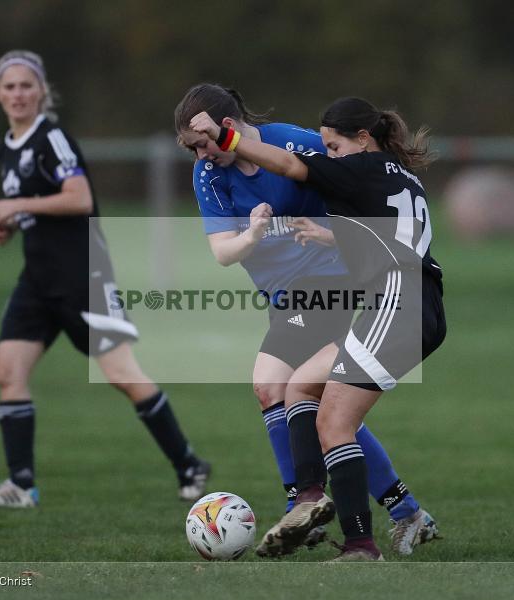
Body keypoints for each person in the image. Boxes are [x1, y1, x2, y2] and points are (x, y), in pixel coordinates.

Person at [175, 84, 439, 557]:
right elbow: (222, 253)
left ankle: (306, 501)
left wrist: (333, 235)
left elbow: (329, 177)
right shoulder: (208, 175)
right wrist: (253, 236)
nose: (201, 157)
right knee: (322, 399)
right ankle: (404, 510)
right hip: (283, 293)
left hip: (331, 282)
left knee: (274, 382)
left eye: (204, 144)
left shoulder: (299, 142)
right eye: (193, 149)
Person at [0, 50, 209, 508]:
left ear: (41, 91)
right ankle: (21, 485)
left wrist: (18, 207)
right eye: (10, 87)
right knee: (8, 373)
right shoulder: (7, 146)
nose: (19, 94)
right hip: (37, 280)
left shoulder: (52, 137)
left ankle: (188, 463)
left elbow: (78, 198)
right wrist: (8, 224)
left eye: (27, 85)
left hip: (83, 277)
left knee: (122, 375)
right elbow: (35, 207)